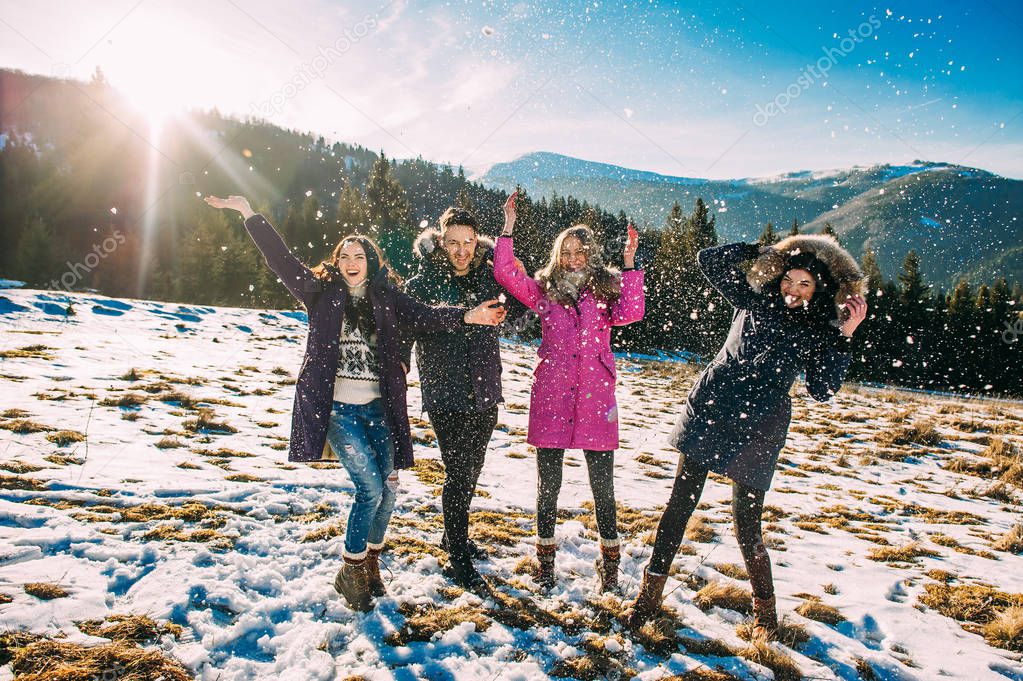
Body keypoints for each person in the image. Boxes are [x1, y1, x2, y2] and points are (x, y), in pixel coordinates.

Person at [203, 195, 506, 613]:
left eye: (358, 254)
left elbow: (426, 316)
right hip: (339, 411)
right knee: (369, 488)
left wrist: (467, 317)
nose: (350, 260)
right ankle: (351, 569)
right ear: (337, 261)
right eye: (344, 254)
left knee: (391, 490)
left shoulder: (387, 298)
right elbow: (280, 260)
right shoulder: (320, 294)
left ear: (371, 261)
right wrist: (249, 213)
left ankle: (371, 564)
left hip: (380, 409)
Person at [625, 234, 868, 637]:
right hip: (713, 407)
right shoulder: (752, 298)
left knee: (747, 523)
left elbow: (823, 389)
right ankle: (647, 600)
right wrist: (760, 250)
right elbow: (710, 260)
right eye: (789, 279)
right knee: (679, 506)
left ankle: (765, 618)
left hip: (761, 424)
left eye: (804, 284)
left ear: (817, 290)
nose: (793, 289)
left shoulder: (817, 329)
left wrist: (846, 334)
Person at [493, 191, 644, 592]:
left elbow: (633, 312)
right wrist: (508, 228)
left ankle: (609, 565)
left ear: (591, 255)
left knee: (603, 485)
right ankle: (544, 561)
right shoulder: (544, 291)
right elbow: (507, 274)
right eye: (567, 251)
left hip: (596, 392)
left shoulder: (606, 291)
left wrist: (629, 263)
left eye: (581, 252)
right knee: (548, 482)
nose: (574, 258)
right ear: (558, 254)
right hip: (553, 391)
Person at [402, 207, 505, 589]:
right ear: (440, 242)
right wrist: (466, 316)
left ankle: (453, 535)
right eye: (453, 243)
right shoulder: (421, 283)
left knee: (470, 470)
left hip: (484, 391)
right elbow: (420, 319)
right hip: (445, 391)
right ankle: (458, 556)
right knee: (459, 471)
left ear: (476, 243)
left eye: (468, 242)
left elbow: (519, 317)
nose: (461, 251)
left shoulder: (488, 278)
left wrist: (515, 305)